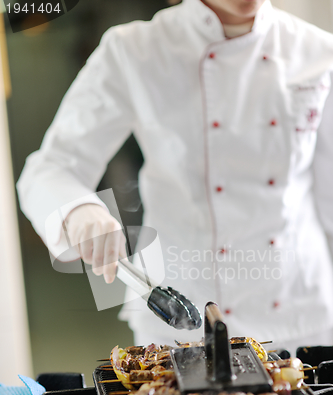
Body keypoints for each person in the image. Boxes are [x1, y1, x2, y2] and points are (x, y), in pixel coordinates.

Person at [17, 0, 333, 354]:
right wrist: (78, 210)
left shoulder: (319, 51)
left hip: (298, 318)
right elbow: (51, 166)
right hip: (177, 318)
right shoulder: (134, 49)